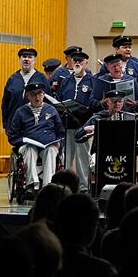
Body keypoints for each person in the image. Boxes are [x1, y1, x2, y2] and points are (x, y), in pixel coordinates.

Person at [7, 82, 64, 193]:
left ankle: (48, 185)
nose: (37, 97)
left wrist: (59, 143)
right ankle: (32, 184)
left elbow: (60, 132)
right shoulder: (20, 112)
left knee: (51, 150)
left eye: (39, 93)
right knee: (30, 150)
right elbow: (13, 135)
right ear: (27, 96)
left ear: (44, 94)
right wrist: (22, 141)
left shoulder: (51, 110)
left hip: (48, 145)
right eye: (33, 94)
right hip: (28, 145)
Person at [57, 51, 96, 191]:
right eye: (75, 60)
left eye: (81, 60)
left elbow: (94, 101)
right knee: (67, 156)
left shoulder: (92, 80)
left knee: (82, 157)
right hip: (68, 124)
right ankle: (66, 184)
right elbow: (60, 99)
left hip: (83, 125)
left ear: (86, 62)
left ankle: (83, 185)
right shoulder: (66, 81)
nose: (77, 63)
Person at [75, 89, 138, 163]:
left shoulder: (131, 119)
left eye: (120, 101)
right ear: (108, 102)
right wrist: (86, 130)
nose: (117, 104)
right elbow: (77, 136)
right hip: (102, 157)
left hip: (123, 158)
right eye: (114, 101)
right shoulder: (98, 118)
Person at [2, 47, 50, 132]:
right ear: (20, 59)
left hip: (36, 125)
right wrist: (6, 124)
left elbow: (48, 102)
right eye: (24, 57)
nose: (26, 59)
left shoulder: (42, 78)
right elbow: (5, 103)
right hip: (15, 124)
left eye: (30, 57)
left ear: (34, 60)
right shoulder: (12, 79)